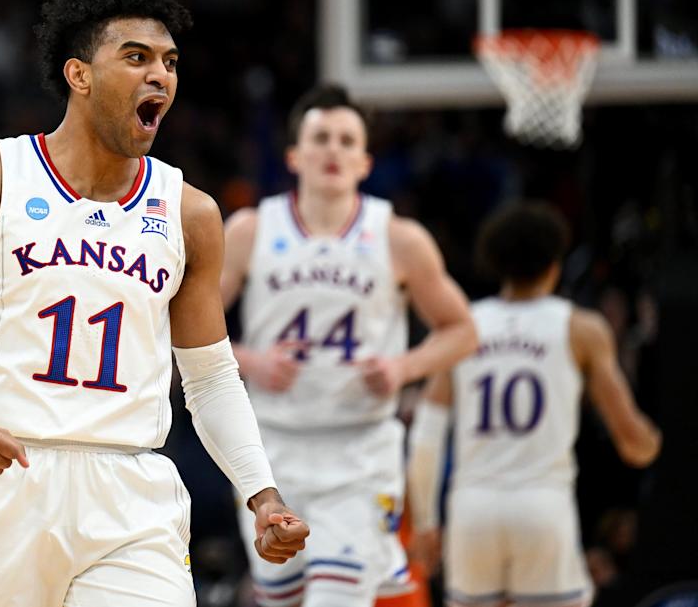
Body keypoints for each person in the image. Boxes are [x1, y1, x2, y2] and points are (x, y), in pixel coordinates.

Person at [0, 0, 308, 607]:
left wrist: (261, 493)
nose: (160, 75)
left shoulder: (189, 213)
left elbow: (211, 378)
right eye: (136, 57)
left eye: (170, 62)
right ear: (79, 75)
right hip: (3, 478)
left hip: (131, 488)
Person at [220, 84, 477, 607]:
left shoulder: (399, 237)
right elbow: (181, 325)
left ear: (364, 162)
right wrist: (250, 360)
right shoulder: (250, 230)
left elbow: (463, 330)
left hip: (362, 454)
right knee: (281, 599)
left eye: (346, 140)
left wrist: (404, 367)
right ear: (295, 156)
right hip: (271, 451)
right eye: (321, 138)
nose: (333, 149)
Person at [407, 202, 662, 607]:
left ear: (495, 263)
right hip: (542, 507)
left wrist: (424, 523)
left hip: (473, 510)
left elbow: (426, 437)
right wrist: (652, 442)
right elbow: (632, 441)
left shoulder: (463, 326)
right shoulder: (582, 328)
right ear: (555, 263)